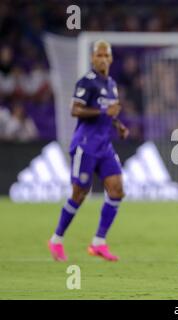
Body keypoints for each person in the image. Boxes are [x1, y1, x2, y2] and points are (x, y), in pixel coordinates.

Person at [48, 40, 129, 262]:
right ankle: (56, 239)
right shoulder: (86, 82)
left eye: (106, 55)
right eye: (99, 55)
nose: (103, 59)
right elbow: (75, 109)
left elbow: (109, 114)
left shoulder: (111, 83)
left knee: (117, 189)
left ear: (111, 59)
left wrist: (118, 125)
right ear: (93, 58)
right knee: (79, 193)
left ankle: (98, 242)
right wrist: (105, 110)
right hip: (85, 145)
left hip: (105, 146)